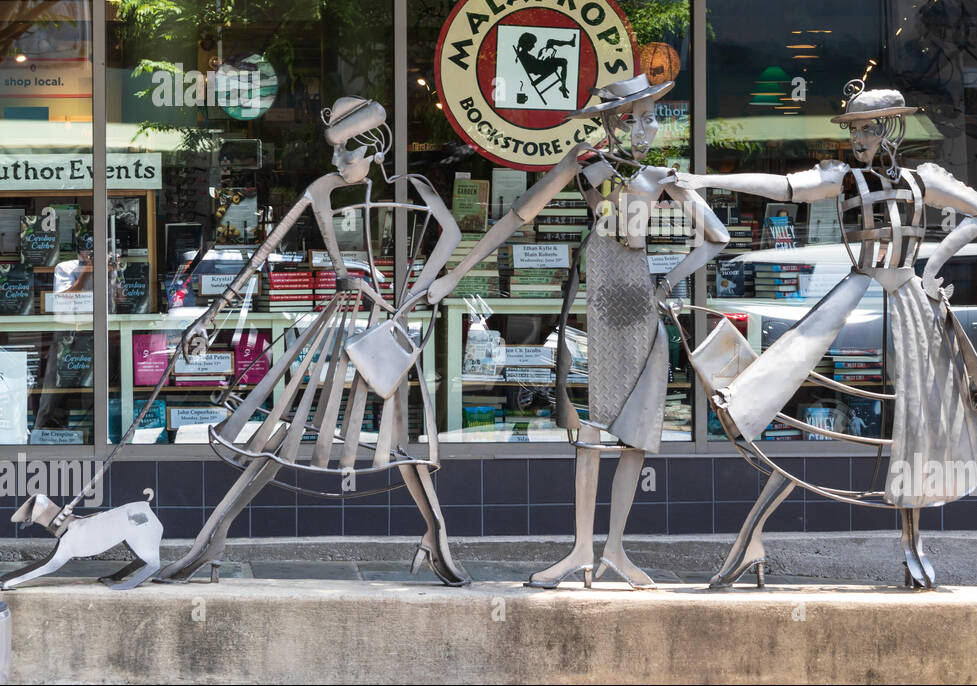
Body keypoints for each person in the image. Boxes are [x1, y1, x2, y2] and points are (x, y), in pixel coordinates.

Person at [677, 83, 977, 588]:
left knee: (919, 422)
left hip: (912, 302)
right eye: (853, 131)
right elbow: (783, 187)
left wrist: (934, 263)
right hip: (859, 291)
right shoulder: (843, 179)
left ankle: (913, 546)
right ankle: (754, 535)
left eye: (868, 129)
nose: (859, 139)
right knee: (774, 378)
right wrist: (700, 177)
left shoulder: (922, 179)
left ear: (890, 128)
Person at [424, 73, 729, 588]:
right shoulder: (587, 165)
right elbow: (519, 216)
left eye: (652, 117)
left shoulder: (662, 176)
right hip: (606, 302)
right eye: (635, 117)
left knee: (635, 436)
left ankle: (613, 551)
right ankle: (581, 552)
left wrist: (668, 281)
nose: (647, 127)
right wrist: (455, 273)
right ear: (612, 122)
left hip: (639, 305)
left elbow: (716, 236)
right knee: (592, 431)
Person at [156, 97, 468, 585]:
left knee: (400, 442)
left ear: (375, 145)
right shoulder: (324, 188)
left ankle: (436, 537)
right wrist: (215, 314)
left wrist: (422, 291)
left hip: (390, 334)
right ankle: (213, 537)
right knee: (278, 432)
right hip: (340, 326)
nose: (337, 162)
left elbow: (451, 236)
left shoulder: (420, 191)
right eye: (337, 151)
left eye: (347, 151)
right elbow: (267, 247)